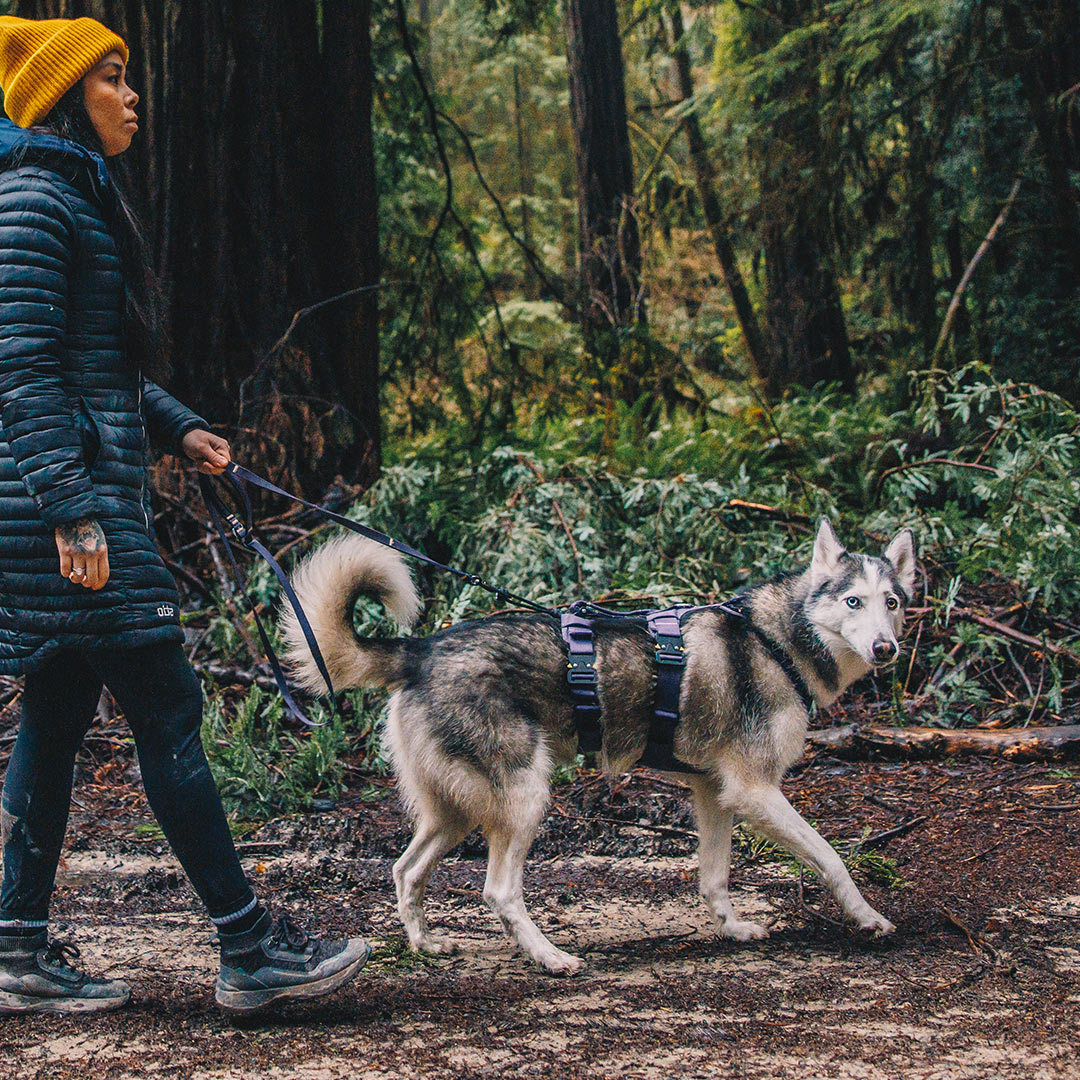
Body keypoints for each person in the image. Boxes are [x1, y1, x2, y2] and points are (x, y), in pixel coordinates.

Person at [0, 16, 368, 1016]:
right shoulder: (35, 201)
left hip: (70, 507)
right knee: (167, 709)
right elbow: (23, 374)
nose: (132, 96)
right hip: (67, 519)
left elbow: (97, 369)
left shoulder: (68, 195)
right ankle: (250, 949)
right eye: (112, 79)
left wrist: (178, 428)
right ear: (65, 95)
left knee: (57, 716)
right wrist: (76, 517)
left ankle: (17, 949)